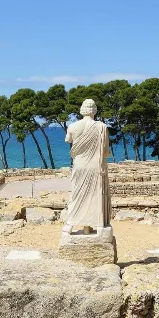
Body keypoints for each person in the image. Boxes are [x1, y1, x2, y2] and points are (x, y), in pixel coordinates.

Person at [62, 99, 112, 234]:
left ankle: (70, 224)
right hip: (96, 166)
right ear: (94, 110)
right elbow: (106, 152)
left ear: (82, 110)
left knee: (77, 195)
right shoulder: (102, 127)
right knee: (96, 195)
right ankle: (99, 225)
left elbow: (68, 140)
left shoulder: (73, 126)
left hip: (79, 166)